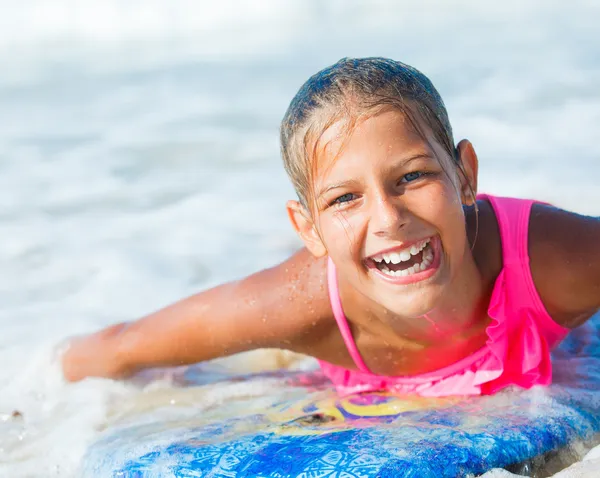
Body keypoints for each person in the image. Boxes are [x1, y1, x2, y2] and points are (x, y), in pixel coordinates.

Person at [61, 57, 600, 397]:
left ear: (465, 175)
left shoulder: (555, 261)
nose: (389, 218)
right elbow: (120, 347)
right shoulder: (300, 304)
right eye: (345, 198)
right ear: (308, 228)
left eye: (412, 176)